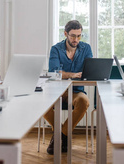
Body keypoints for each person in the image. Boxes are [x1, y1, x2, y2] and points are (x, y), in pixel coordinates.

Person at [44, 20, 92, 155]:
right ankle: (61, 134)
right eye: (72, 36)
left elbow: (89, 70)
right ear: (65, 34)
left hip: (77, 91)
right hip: (57, 91)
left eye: (78, 36)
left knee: (84, 102)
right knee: (43, 103)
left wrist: (67, 75)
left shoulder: (86, 48)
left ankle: (61, 136)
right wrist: (72, 75)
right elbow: (54, 72)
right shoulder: (56, 49)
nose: (76, 39)